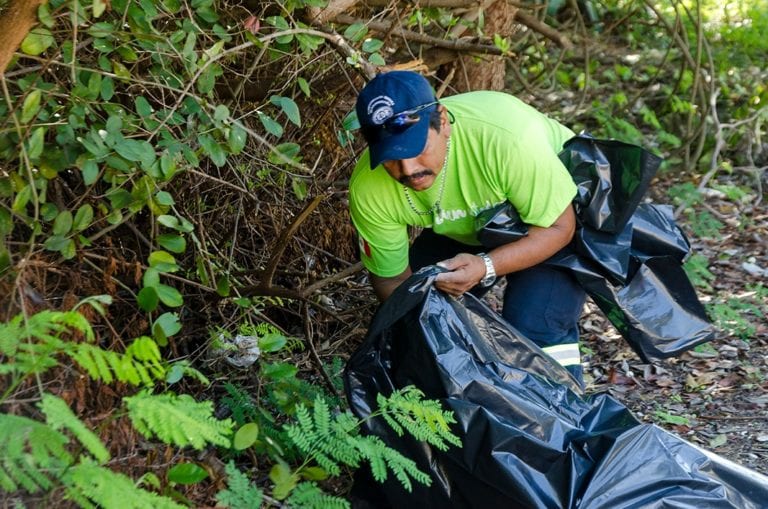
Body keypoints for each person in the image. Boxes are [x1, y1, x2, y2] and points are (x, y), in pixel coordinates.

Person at [348, 71, 587, 384]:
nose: (409, 170)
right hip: (467, 223)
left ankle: (568, 416)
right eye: (392, 158)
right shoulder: (369, 187)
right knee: (422, 302)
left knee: (534, 327)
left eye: (417, 148)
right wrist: (426, 335)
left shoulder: (506, 139)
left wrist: (486, 266)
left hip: (549, 216)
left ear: (443, 122)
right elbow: (392, 279)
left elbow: (559, 227)